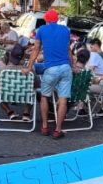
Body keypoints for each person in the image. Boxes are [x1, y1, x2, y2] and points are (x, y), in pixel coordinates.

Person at [23, 9, 72, 138]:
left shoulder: (42, 30)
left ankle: (45, 126)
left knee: (44, 96)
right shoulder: (65, 30)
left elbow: (35, 50)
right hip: (66, 67)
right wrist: (72, 66)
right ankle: (58, 129)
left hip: (51, 68)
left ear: (46, 19)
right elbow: (68, 50)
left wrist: (29, 67)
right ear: (57, 19)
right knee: (63, 100)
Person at [0, 45, 33, 121]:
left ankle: (9, 111)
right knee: (33, 90)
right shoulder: (30, 71)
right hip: (24, 94)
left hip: (7, 93)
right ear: (23, 57)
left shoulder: (1, 70)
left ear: (11, 55)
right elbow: (36, 83)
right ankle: (26, 113)